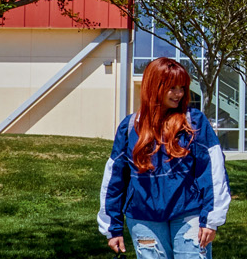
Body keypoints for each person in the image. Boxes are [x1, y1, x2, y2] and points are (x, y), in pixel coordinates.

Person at [99, 57, 231, 258]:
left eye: (182, 88)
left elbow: (212, 172)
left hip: (189, 215)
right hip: (144, 219)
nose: (179, 94)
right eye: (172, 88)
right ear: (154, 86)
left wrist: (210, 220)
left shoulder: (194, 122)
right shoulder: (129, 127)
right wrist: (112, 227)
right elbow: (115, 179)